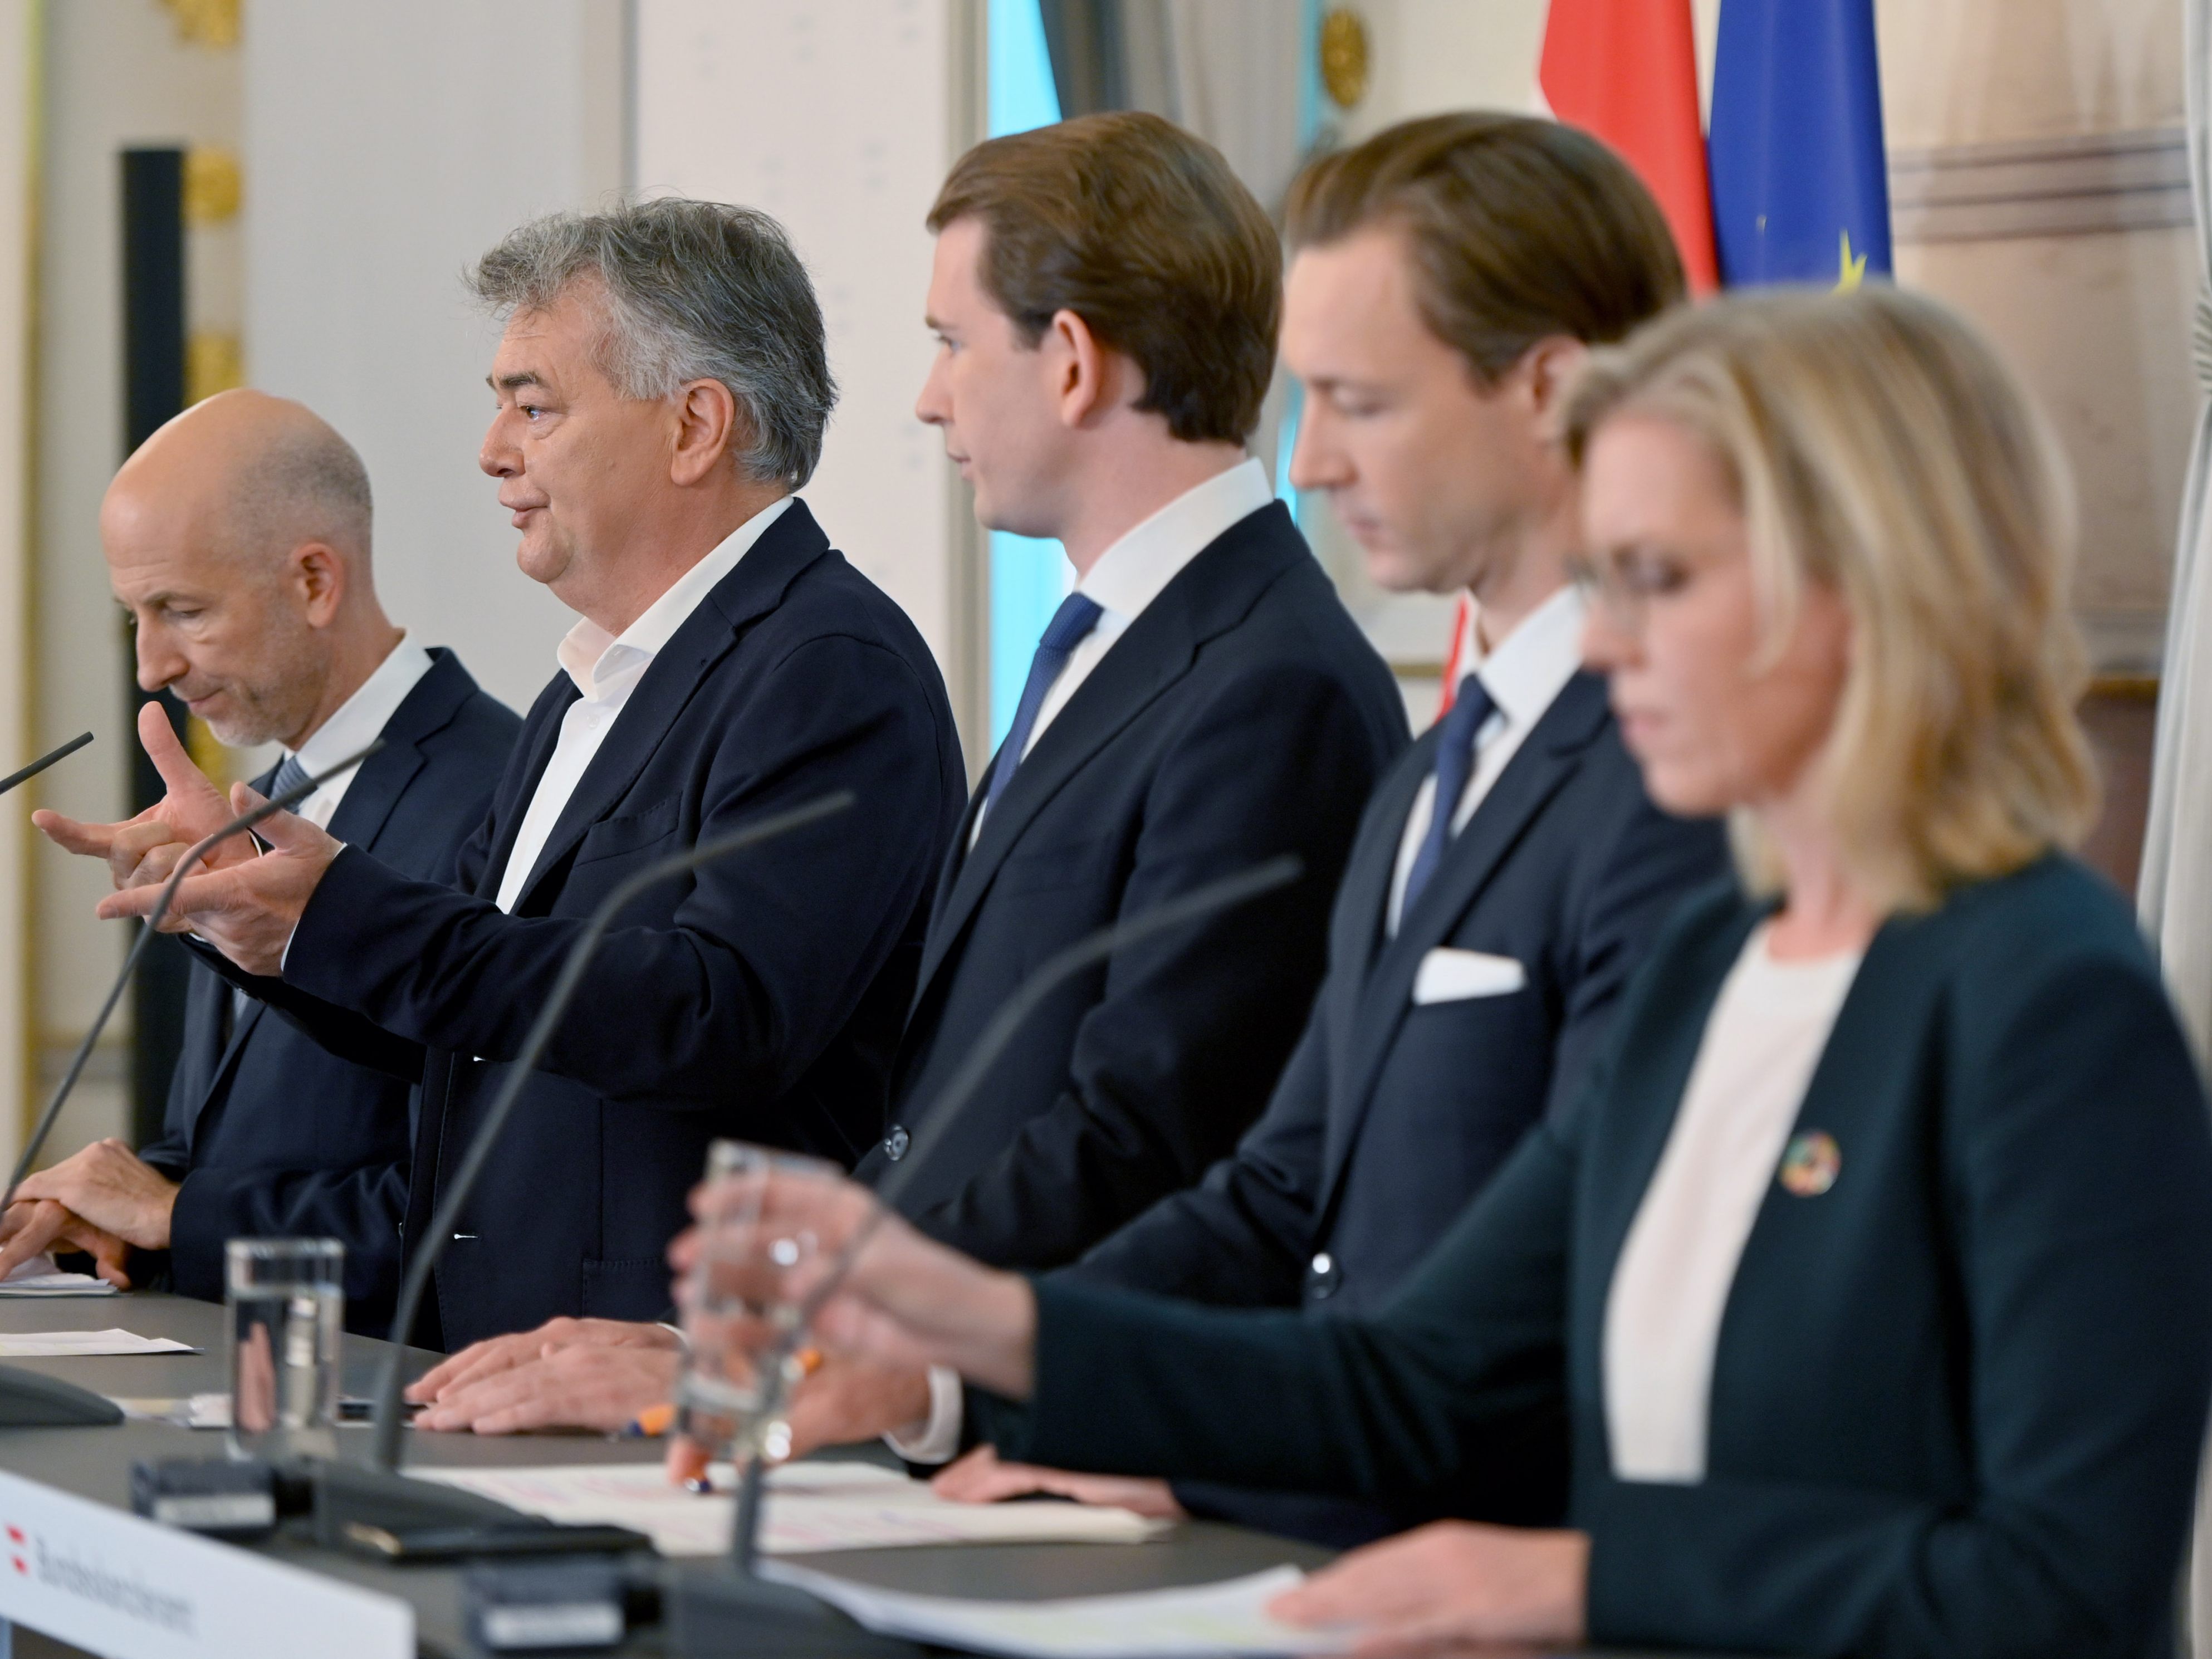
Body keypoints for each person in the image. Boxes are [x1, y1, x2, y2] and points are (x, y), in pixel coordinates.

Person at [689, 288, 2212, 1659]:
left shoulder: (2042, 999)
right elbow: (1407, 1381)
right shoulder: (1708, 969)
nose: (1606, 647)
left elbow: (2062, 1583)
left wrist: (1572, 1581)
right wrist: (963, 1320)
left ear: (1867, 586)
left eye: (1661, 579)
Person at [405, 112, 1410, 1425]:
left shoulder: (1267, 678)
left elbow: (1142, 1130)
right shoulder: (1121, 645)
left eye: (949, 344)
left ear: (1068, 363)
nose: (929, 395)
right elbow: (962, 1104)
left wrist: (800, 1344)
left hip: (1085, 1443)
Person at [76, 199, 968, 1351]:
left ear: (694, 425)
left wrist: (342, 905)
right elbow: (479, 1034)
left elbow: (719, 1014)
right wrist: (280, 932)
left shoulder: (827, 665)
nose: (492, 451)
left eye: (533, 406)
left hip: (683, 1391)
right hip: (505, 1370)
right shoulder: (583, 692)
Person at [7, 391, 520, 1333]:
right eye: (134, 617)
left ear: (316, 581)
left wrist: (177, 1217)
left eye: (182, 610)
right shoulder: (249, 802)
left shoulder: (502, 794)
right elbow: (229, 1140)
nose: (150, 665)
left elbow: (490, 1209)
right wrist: (104, 1204)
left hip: (396, 1404)